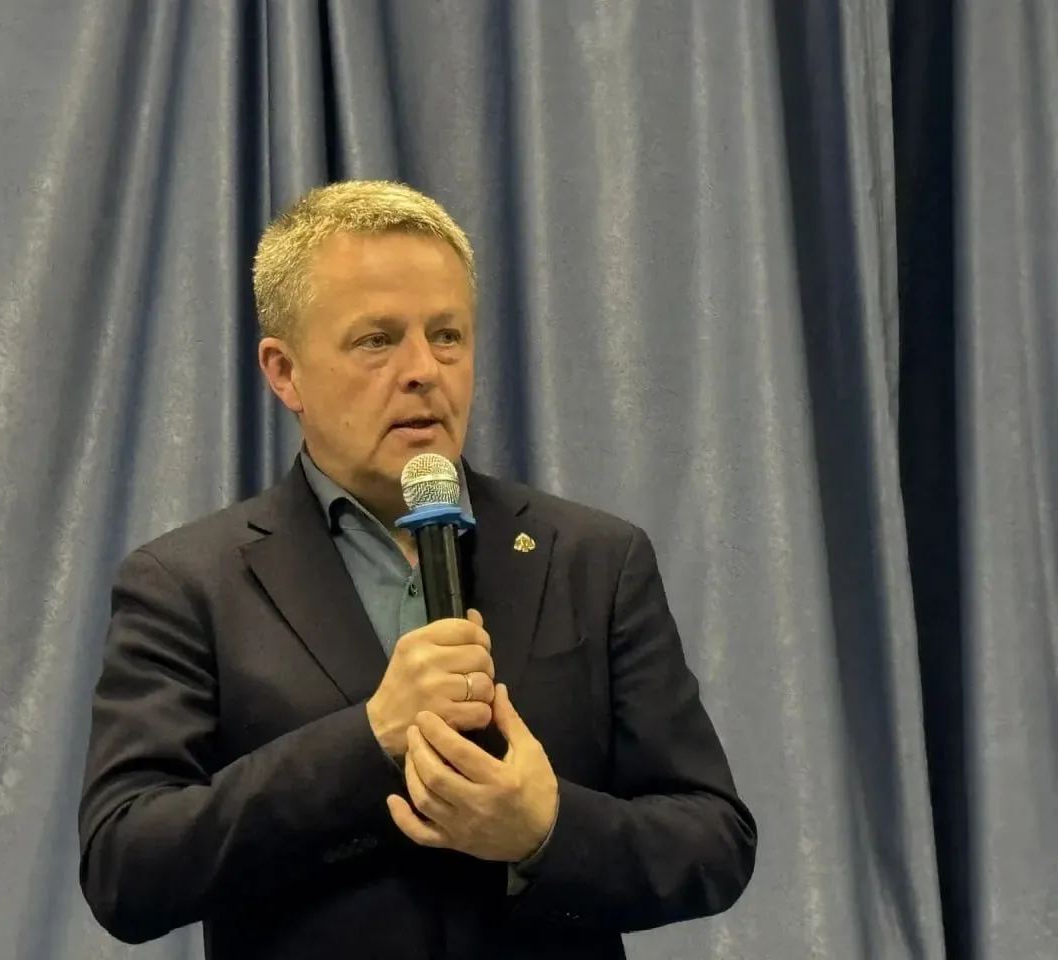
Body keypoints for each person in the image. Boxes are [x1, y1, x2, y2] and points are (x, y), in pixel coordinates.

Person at [77, 180, 757, 959]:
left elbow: (714, 840)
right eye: (376, 340)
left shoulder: (594, 559)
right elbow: (126, 866)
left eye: (447, 336)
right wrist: (368, 741)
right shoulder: (187, 584)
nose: (423, 370)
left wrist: (545, 831)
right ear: (284, 372)